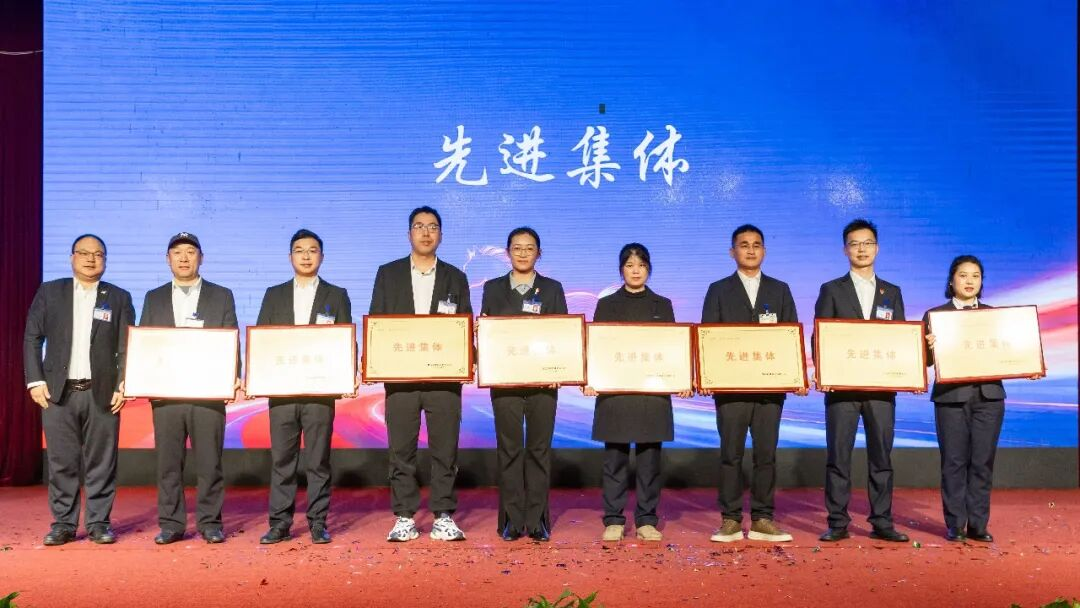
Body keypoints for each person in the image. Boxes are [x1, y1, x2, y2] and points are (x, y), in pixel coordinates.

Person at [23, 234, 135, 546]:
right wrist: (35, 380)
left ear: (105, 260)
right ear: (72, 257)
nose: (90, 259)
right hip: (58, 393)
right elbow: (32, 337)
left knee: (102, 462)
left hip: (103, 393)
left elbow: (127, 345)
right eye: (84, 253)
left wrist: (124, 383)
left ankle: (99, 523)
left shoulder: (118, 297)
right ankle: (63, 524)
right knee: (62, 462)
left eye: (98, 254)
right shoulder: (50, 292)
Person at [369, 206, 473, 542]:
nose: (426, 232)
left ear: (440, 234)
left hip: (444, 379)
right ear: (409, 233)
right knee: (401, 450)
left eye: (432, 227)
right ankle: (404, 516)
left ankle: (443, 515)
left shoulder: (455, 277)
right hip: (401, 379)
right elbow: (377, 322)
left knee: (445, 449)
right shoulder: (388, 274)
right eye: (419, 226)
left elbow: (464, 325)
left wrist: (468, 359)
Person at [700, 224, 802, 543]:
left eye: (757, 244)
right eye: (743, 245)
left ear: (764, 251)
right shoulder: (718, 290)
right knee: (730, 455)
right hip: (730, 390)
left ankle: (762, 519)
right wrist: (706, 375)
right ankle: (730, 519)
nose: (750, 250)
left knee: (766, 455)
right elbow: (707, 337)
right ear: (732, 252)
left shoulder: (780, 290)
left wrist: (797, 375)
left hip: (769, 390)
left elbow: (790, 336)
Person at [585, 243, 691, 543]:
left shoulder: (662, 305)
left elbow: (673, 349)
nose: (635, 271)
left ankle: (646, 520)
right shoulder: (607, 305)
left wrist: (682, 378)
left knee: (649, 462)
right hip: (616, 394)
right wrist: (591, 378)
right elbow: (598, 347)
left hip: (651, 395)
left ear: (648, 269)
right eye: (630, 265)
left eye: (641, 265)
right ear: (621, 270)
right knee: (615, 460)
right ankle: (614, 519)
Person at [140, 232, 240, 545]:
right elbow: (145, 342)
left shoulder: (221, 295)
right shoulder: (153, 297)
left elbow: (231, 339)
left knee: (210, 463)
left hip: (207, 394)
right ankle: (171, 524)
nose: (184, 258)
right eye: (177, 252)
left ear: (201, 258)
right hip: (167, 395)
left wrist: (233, 375)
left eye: (190, 252)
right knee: (169, 464)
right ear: (167, 259)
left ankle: (210, 522)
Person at [813, 219, 909, 543]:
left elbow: (900, 339)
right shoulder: (831, 289)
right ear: (845, 250)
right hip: (842, 390)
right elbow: (820, 336)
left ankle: (882, 521)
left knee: (881, 457)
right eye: (855, 244)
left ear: (877, 248)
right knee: (838, 457)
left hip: (881, 390)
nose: (862, 249)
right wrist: (824, 372)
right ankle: (837, 522)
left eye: (867, 243)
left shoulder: (891, 292)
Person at [255, 229, 353, 545]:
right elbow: (262, 341)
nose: (306, 256)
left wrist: (348, 374)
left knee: (317, 460)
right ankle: (279, 524)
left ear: (322, 256)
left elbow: (346, 340)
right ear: (290, 257)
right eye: (299, 250)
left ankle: (318, 523)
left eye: (312, 250)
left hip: (319, 393)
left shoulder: (337, 295)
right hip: (282, 392)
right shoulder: (274, 294)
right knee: (282, 460)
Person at [924, 255, 1023, 543]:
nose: (970, 281)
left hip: (988, 397)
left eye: (976, 276)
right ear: (951, 280)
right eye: (963, 275)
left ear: (981, 282)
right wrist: (928, 347)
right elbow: (924, 361)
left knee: (982, 462)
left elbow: (1011, 351)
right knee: (953, 462)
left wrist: (1026, 364)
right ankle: (955, 524)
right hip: (950, 398)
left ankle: (978, 525)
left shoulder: (994, 315)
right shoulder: (935, 316)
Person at [480, 227, 568, 542]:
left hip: (544, 383)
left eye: (529, 248)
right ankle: (512, 520)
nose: (522, 253)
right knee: (509, 450)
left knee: (539, 450)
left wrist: (562, 368)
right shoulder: (492, 288)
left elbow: (563, 335)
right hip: (504, 382)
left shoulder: (552, 289)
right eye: (517, 248)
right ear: (508, 252)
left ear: (538, 253)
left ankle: (538, 520)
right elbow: (487, 333)